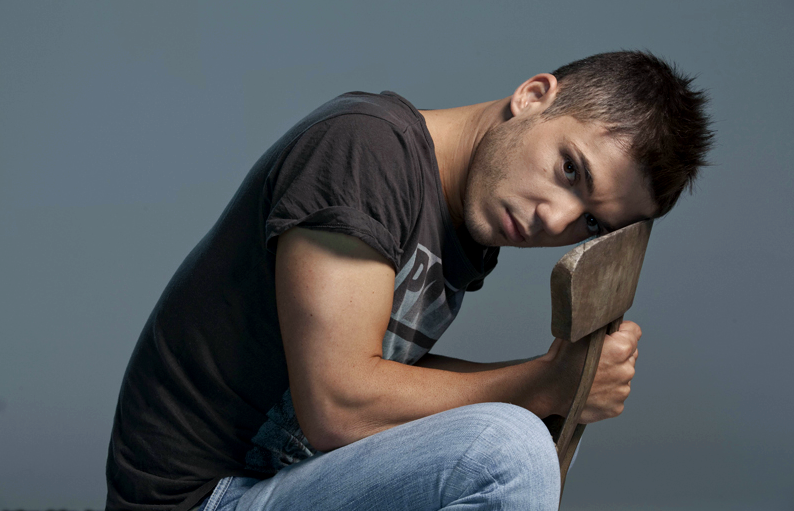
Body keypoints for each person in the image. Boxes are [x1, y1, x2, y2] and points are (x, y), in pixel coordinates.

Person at [105, 51, 713, 511]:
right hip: (206, 498)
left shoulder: (470, 225)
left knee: (520, 431)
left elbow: (385, 372)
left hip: (286, 481)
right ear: (533, 96)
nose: (554, 219)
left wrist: (562, 377)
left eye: (590, 222)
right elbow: (338, 403)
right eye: (570, 169)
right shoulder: (365, 151)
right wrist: (541, 385)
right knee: (507, 450)